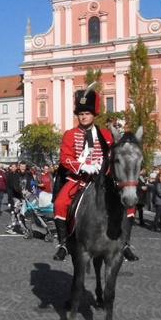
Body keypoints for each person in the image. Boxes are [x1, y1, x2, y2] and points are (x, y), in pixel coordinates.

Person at [52, 88, 139, 262]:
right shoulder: (70, 135)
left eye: (87, 113)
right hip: (78, 178)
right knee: (60, 203)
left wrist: (103, 166)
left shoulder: (106, 135)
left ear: (94, 115)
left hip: (103, 179)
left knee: (128, 204)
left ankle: (126, 243)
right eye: (81, 113)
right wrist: (82, 165)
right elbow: (65, 158)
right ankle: (63, 243)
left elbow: (115, 156)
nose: (83, 117)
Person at [5, 161, 30, 234]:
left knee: (22, 212)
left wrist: (31, 189)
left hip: (24, 196)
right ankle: (21, 228)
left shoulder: (27, 174)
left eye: (24, 167)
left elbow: (29, 183)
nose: (23, 168)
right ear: (19, 167)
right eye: (21, 166)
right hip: (16, 196)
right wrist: (21, 191)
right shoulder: (15, 175)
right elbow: (14, 186)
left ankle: (19, 227)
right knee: (17, 212)